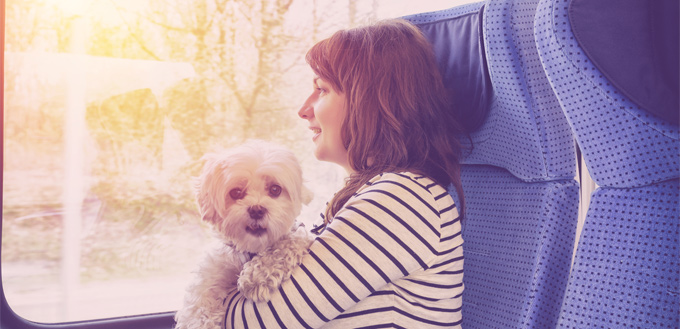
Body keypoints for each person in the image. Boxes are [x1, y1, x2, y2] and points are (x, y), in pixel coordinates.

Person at [223, 18, 465, 328]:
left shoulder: (401, 200)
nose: (303, 109)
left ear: (371, 101)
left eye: (321, 90)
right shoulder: (364, 196)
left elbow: (252, 323)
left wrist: (211, 288)